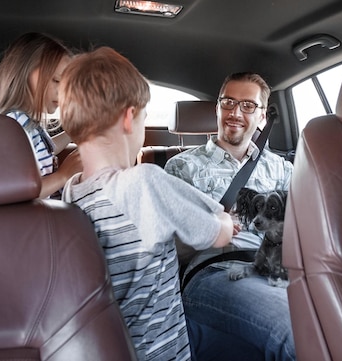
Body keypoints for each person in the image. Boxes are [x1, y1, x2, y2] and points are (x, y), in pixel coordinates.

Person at [57, 46, 234, 360]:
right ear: (129, 118)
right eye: (143, 117)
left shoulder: (71, 193)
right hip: (162, 351)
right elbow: (217, 234)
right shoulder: (142, 183)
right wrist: (227, 222)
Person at [164, 72, 295, 360]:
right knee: (297, 330)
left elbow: (304, 228)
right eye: (228, 102)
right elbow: (168, 249)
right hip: (217, 271)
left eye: (248, 106)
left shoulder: (282, 169)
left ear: (262, 116)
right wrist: (210, 228)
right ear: (217, 108)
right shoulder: (182, 167)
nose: (235, 113)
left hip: (280, 269)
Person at [0, 32, 81, 198]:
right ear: (27, 74)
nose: (63, 91)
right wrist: (63, 175)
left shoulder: (25, 124)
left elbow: (46, 150)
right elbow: (17, 191)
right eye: (56, 80)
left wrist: (70, 133)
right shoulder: (13, 125)